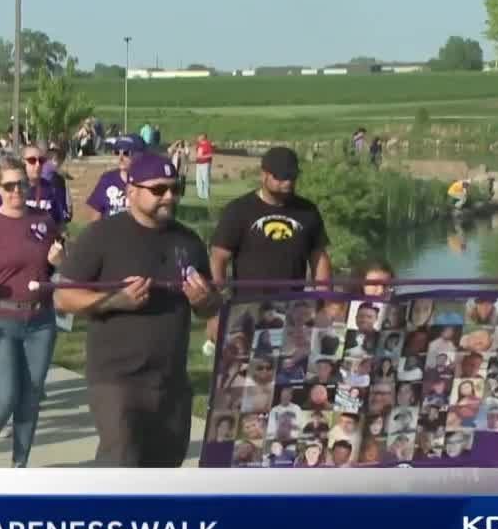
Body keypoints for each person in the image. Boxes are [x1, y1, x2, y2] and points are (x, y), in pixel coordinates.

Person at [55, 153, 221, 467]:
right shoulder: (102, 236)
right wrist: (114, 301)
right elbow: (63, 298)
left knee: (164, 471)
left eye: (175, 188)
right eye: (158, 190)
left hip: (171, 380)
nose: (169, 197)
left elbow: (210, 305)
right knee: (121, 465)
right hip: (117, 378)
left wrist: (204, 301)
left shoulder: (189, 241)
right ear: (132, 191)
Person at [0, 154, 65, 467]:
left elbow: (56, 268)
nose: (16, 191)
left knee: (30, 397)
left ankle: (20, 466)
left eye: (21, 184)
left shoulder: (43, 221)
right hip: (0, 319)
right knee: (5, 395)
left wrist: (59, 260)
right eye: (9, 186)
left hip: (40, 320)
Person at [208, 147, 332, 346]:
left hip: (293, 309)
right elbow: (218, 258)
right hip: (247, 308)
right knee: (245, 370)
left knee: (291, 368)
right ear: (263, 175)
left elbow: (319, 258)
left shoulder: (308, 211)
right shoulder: (239, 210)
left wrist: (323, 303)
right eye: (281, 177)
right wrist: (217, 310)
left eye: (292, 177)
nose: (288, 182)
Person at [0, 143, 70, 226]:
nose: (38, 164)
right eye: (32, 160)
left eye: (41, 160)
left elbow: (58, 223)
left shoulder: (50, 189)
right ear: (21, 162)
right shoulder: (7, 188)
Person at [82, 135, 144, 221]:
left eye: (126, 153)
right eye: (117, 152)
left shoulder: (148, 182)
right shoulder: (107, 179)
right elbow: (96, 211)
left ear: (139, 155)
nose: (120, 158)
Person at [194, 132, 214, 201]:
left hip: (205, 164)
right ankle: (200, 195)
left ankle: (206, 195)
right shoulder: (198, 145)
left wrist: (202, 156)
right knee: (198, 179)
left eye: (199, 137)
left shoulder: (208, 144)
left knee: (205, 179)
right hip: (198, 164)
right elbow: (197, 153)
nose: (197, 138)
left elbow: (210, 155)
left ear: (203, 137)